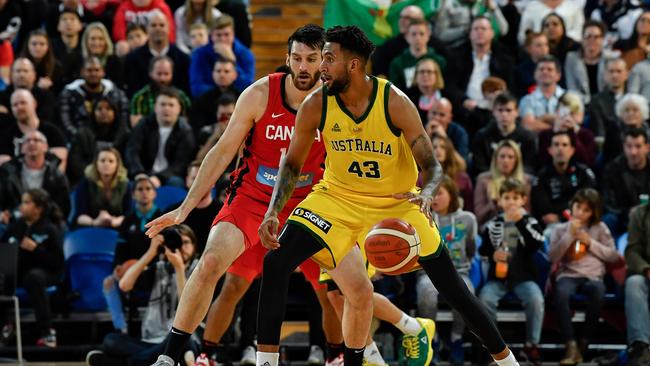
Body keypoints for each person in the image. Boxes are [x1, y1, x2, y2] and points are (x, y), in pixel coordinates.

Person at [255, 25, 520, 366]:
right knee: (276, 261)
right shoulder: (316, 103)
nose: (321, 67)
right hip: (336, 198)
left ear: (353, 65)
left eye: (328, 59)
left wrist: (426, 192)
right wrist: (273, 211)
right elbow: (291, 165)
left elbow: (433, 165)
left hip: (398, 201)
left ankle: (507, 360)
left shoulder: (394, 102)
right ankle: (266, 362)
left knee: (453, 289)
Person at [144, 25, 345, 366]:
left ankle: (338, 355)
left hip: (312, 202)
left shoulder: (337, 100)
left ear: (324, 62)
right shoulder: (259, 94)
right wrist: (185, 209)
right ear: (287, 59)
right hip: (254, 198)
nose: (303, 67)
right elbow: (222, 151)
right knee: (211, 264)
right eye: (297, 58)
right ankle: (175, 356)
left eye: (312, 59)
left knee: (332, 290)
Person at [89, 224, 199, 366]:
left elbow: (188, 304)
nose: (181, 247)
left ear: (194, 246)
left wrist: (179, 268)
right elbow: (124, 285)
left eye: (185, 242)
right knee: (110, 340)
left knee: (185, 342)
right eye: (177, 242)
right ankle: (150, 360)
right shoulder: (159, 268)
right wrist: (151, 252)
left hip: (179, 339)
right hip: (150, 341)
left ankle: (129, 362)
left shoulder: (199, 269)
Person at [478, 178, 545, 365]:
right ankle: (495, 348)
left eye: (516, 197)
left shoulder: (530, 222)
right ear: (499, 201)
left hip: (524, 278)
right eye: (506, 197)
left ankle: (532, 345)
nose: (511, 202)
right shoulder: (492, 225)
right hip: (498, 279)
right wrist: (493, 255)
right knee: (485, 299)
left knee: (536, 299)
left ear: (523, 200)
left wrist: (520, 222)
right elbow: (483, 249)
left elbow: (537, 243)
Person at [548, 188, 619, 365]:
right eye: (577, 207)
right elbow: (552, 257)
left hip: (593, 276)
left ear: (593, 213)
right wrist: (569, 235)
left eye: (586, 210)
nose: (580, 212)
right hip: (568, 274)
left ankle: (583, 343)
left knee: (597, 291)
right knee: (561, 293)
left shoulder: (600, 228)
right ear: (572, 206)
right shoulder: (560, 228)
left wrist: (591, 242)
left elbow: (613, 256)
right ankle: (570, 344)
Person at [417, 175, 477, 366]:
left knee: (466, 292)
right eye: (431, 194)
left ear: (452, 195)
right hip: (428, 273)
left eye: (439, 193)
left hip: (460, 271)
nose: (434, 198)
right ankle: (431, 340)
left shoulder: (468, 219)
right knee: (427, 292)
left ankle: (456, 338)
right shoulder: (419, 217)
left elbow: (471, 249)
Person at [1, 188, 64, 348]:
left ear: (39, 208)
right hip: (19, 273)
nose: (22, 206)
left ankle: (47, 332)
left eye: (27, 202)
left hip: (46, 273)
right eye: (22, 202)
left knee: (34, 277)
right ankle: (5, 326)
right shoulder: (15, 227)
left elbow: (58, 262)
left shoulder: (49, 229)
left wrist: (36, 249)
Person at [103, 174, 162, 335]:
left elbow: (165, 250)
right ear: (134, 194)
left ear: (154, 193)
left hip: (155, 269)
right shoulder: (127, 220)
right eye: (140, 189)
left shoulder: (162, 218)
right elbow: (120, 250)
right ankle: (121, 327)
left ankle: (159, 328)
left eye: (148, 189)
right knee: (108, 282)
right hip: (131, 269)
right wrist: (117, 266)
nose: (144, 192)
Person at [125, 87, 196, 188]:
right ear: (155, 107)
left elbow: (181, 164)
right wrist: (139, 173)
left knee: (176, 183)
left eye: (171, 105)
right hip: (144, 172)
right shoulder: (143, 125)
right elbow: (132, 151)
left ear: (179, 109)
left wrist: (159, 177)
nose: (166, 108)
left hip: (170, 176)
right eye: (162, 104)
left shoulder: (185, 131)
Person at [0, 131, 71, 221]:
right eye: (27, 141)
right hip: (13, 220)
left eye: (37, 140)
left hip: (47, 222)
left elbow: (63, 209)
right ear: (22, 148)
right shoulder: (7, 173)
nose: (31, 143)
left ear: (45, 147)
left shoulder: (57, 176)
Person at [532, 131, 597, 228]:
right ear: (550, 150)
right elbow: (544, 210)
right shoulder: (542, 176)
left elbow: (589, 200)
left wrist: (561, 216)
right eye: (556, 145)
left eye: (564, 145)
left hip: (581, 221)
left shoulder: (584, 173)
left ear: (572, 150)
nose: (560, 149)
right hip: (553, 225)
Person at [58, 56, 129, 139]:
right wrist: (84, 140)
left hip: (113, 140)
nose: (93, 74)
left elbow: (124, 120)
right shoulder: (69, 93)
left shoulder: (115, 93)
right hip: (79, 140)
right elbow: (65, 123)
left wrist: (118, 142)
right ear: (82, 72)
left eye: (97, 70)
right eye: (89, 70)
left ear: (103, 72)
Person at [66, 96, 129, 186]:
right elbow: (76, 161)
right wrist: (92, 175)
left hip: (119, 179)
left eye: (108, 108)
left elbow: (128, 159)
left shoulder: (124, 134)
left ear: (115, 112)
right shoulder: (82, 134)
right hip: (87, 180)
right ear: (93, 113)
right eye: (99, 109)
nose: (104, 112)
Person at [125, 10, 190, 96]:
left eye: (162, 25)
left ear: (169, 28)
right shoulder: (133, 59)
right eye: (153, 25)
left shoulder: (183, 58)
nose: (158, 29)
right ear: (147, 29)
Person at [472, 92, 537, 175]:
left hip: (519, 180)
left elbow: (529, 166)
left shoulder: (528, 137)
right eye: (500, 110)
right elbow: (479, 166)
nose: (504, 114)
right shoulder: (482, 136)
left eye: (508, 110)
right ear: (493, 112)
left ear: (517, 112)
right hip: (490, 179)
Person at [189, 14, 255, 97]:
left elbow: (247, 87)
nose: (222, 39)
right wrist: (221, 93)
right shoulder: (200, 54)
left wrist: (233, 61)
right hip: (209, 101)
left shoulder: (245, 54)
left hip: (236, 99)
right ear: (212, 36)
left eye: (226, 34)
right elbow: (196, 88)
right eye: (218, 35)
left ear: (233, 34)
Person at [0, 89, 67, 169]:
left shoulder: (52, 132)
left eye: (23, 103)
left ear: (34, 103)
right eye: (15, 105)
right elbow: (4, 171)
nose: (19, 107)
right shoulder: (6, 135)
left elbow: (59, 168)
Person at [474, 140, 534, 227]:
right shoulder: (483, 180)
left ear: (516, 160)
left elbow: (528, 213)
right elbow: (478, 216)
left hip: (519, 224)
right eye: (502, 156)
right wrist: (493, 204)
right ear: (495, 159)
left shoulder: (526, 181)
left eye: (510, 157)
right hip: (491, 225)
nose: (505, 160)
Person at [602, 128, 650, 236]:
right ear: (624, 147)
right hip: (622, 219)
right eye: (629, 146)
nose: (633, 152)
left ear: (647, 148)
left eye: (638, 146)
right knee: (609, 219)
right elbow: (607, 203)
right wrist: (627, 212)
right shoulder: (612, 169)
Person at [72, 147, 130, 229]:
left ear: (117, 164)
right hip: (89, 226)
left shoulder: (125, 184)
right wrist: (94, 222)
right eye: (102, 160)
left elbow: (128, 214)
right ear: (96, 163)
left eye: (111, 161)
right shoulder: (85, 183)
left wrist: (113, 221)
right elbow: (80, 215)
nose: (106, 164)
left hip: (117, 226)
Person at [537, 92, 597, 167]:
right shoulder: (545, 135)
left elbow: (587, 162)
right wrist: (555, 133)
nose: (567, 118)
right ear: (556, 112)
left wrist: (573, 134)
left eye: (571, 114)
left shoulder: (586, 135)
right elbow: (542, 162)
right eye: (563, 113)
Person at [129, 55, 192, 127]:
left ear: (172, 74)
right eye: (159, 74)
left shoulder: (181, 97)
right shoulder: (140, 98)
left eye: (166, 74)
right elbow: (136, 126)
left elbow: (187, 124)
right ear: (150, 73)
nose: (162, 79)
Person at [624, 202, 650, 366]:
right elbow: (632, 251)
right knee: (634, 283)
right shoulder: (639, 214)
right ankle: (640, 346)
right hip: (646, 273)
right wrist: (646, 269)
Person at [388, 18, 446, 91]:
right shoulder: (397, 63)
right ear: (407, 37)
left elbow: (444, 87)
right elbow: (395, 91)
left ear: (428, 36)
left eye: (421, 34)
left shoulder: (440, 61)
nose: (418, 38)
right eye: (414, 34)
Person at [519, 55, 566, 132]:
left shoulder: (569, 97)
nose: (545, 72)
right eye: (541, 69)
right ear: (535, 74)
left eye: (549, 69)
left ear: (558, 75)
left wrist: (540, 119)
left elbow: (572, 123)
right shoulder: (527, 100)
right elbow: (529, 125)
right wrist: (557, 126)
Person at [564, 21, 608, 104]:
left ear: (602, 40)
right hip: (580, 104)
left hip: (605, 104)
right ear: (582, 39)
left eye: (596, 37)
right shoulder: (572, 59)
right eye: (588, 37)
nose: (592, 40)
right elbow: (571, 87)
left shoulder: (610, 59)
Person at [587, 57, 628, 143]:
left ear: (626, 74)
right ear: (605, 75)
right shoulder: (596, 101)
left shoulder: (634, 100)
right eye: (611, 71)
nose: (615, 75)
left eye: (619, 71)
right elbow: (599, 130)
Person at [430, 134, 473, 211]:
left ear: (449, 150)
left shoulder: (462, 177)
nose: (438, 150)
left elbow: (469, 205)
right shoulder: (422, 177)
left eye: (443, 147)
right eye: (434, 147)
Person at [518, 0, 584, 45]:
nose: (551, 28)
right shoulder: (532, 7)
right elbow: (523, 34)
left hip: (568, 47)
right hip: (539, 49)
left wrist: (563, 39)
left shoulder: (573, 6)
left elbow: (579, 30)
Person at [81, 22, 125, 88]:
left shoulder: (115, 62)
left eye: (100, 39)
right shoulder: (79, 60)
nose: (96, 43)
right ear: (86, 41)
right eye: (93, 39)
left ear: (106, 41)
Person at [404, 57, 446, 125]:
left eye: (429, 72)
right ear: (416, 76)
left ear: (436, 75)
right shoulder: (406, 97)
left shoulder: (446, 95)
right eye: (422, 72)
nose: (425, 75)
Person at [516, 32, 550, 98]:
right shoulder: (520, 70)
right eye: (539, 45)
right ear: (528, 48)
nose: (544, 48)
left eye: (546, 44)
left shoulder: (556, 66)